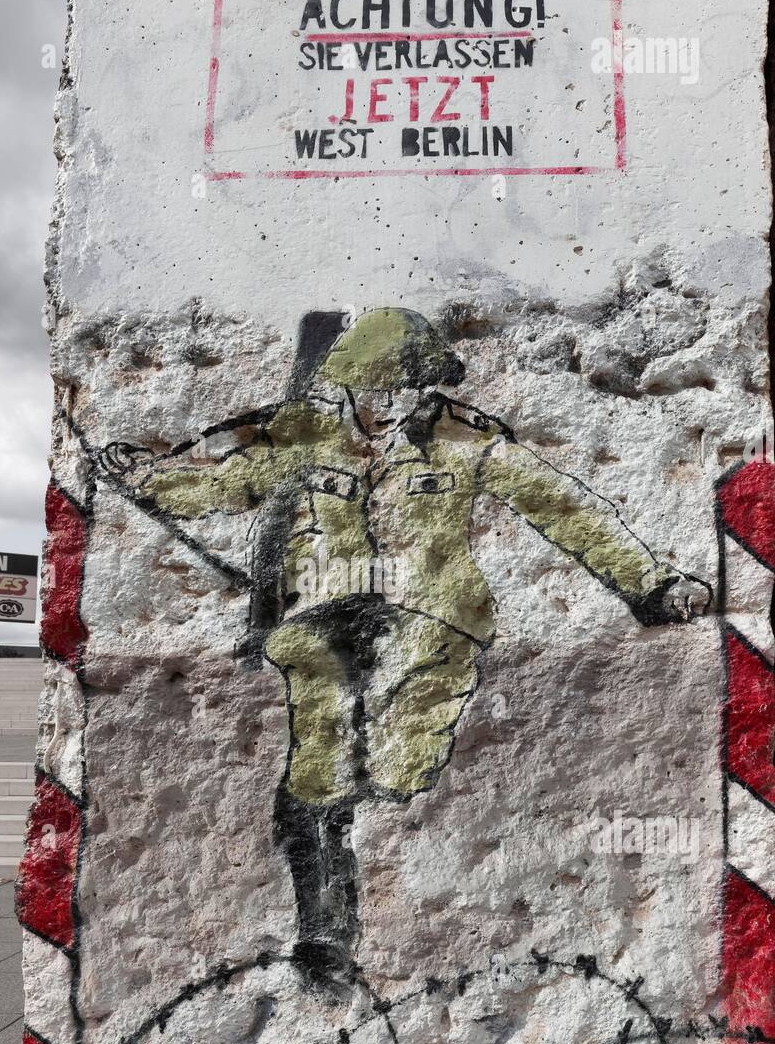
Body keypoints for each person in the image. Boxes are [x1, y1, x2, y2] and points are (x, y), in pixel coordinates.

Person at [102, 308, 711, 975]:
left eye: (404, 390)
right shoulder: (308, 439)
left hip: (431, 621)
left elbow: (562, 507)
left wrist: (652, 586)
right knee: (318, 771)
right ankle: (323, 934)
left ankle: (372, 810)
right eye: (372, 390)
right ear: (346, 387)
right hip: (325, 620)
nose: (386, 406)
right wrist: (145, 477)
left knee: (398, 773)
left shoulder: (464, 441)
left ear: (426, 390)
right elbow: (224, 484)